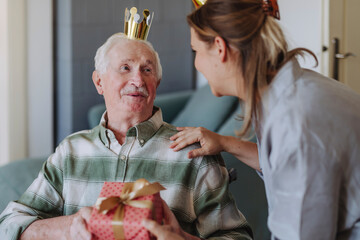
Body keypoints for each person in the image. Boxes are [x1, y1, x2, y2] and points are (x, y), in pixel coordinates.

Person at [0, 33, 252, 240]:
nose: (137, 79)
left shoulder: (193, 153)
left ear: (157, 83)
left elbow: (237, 237)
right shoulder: (70, 151)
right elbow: (10, 224)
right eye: (125, 68)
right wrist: (68, 227)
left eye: (147, 70)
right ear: (99, 82)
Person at [144, 0, 360, 239]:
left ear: (219, 48)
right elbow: (283, 164)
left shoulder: (296, 121)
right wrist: (224, 142)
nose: (197, 63)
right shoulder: (284, 90)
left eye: (196, 51)